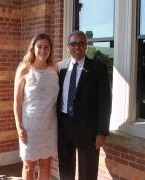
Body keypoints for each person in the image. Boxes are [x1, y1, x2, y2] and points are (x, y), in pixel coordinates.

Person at [57, 31, 112, 180]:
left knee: (88, 170)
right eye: (74, 44)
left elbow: (105, 102)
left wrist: (102, 132)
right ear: (68, 46)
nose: (77, 47)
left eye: (81, 43)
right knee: (65, 166)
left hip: (88, 128)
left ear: (86, 46)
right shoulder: (60, 68)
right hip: (64, 124)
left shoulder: (98, 69)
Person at [13, 33, 59, 180]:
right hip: (29, 127)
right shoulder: (24, 70)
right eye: (39, 46)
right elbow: (17, 101)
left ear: (50, 49)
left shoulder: (54, 70)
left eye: (46, 47)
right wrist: (19, 126)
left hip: (49, 126)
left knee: (46, 165)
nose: (43, 50)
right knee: (28, 165)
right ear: (33, 48)